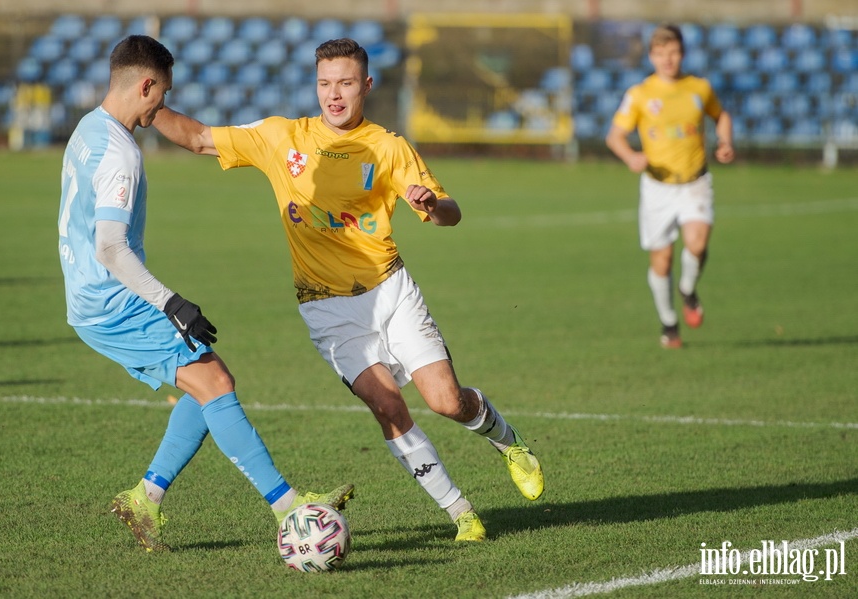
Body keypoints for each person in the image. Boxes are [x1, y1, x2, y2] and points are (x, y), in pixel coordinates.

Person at [152, 37, 544, 542]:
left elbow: (451, 213)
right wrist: (145, 103)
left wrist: (430, 204)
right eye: (324, 83)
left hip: (391, 289)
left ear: (366, 85)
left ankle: (506, 440)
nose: (333, 95)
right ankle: (462, 513)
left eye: (345, 83)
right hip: (326, 306)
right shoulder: (282, 136)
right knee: (387, 405)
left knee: (446, 401)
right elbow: (199, 138)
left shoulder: (387, 146)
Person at [57, 35, 353, 553]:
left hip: (91, 295)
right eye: (160, 94)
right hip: (111, 300)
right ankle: (292, 512)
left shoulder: (88, 129)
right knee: (215, 383)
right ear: (145, 84)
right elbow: (109, 246)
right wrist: (170, 302)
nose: (159, 107)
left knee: (210, 381)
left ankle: (145, 497)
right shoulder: (120, 153)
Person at [606, 24, 735, 348]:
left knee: (698, 243)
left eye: (674, 52)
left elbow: (721, 115)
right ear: (651, 56)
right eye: (661, 54)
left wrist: (725, 140)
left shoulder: (699, 88)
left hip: (695, 182)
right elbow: (615, 136)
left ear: (683, 54)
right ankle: (669, 323)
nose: (668, 59)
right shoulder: (640, 94)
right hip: (657, 188)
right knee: (661, 261)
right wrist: (630, 157)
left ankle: (688, 288)